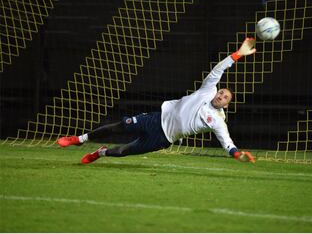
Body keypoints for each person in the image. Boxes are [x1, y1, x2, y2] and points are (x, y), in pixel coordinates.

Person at [57, 38, 257, 164]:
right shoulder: (207, 90)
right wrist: (238, 54)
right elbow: (218, 69)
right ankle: (79, 139)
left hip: (163, 139)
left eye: (225, 98)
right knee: (120, 126)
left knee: (122, 151)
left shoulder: (219, 121)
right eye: (221, 92)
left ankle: (100, 154)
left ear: (226, 105)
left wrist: (238, 155)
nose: (220, 96)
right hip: (156, 119)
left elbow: (227, 143)